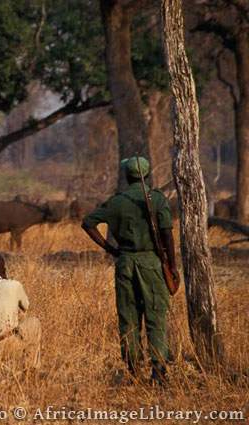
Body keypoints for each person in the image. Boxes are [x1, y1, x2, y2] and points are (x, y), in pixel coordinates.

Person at [82, 156, 177, 384]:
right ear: (147, 175)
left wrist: (111, 249)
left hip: (124, 262)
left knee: (128, 316)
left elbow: (88, 223)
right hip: (153, 263)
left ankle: (133, 369)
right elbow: (167, 234)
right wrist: (172, 265)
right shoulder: (157, 199)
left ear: (127, 176)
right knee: (156, 316)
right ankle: (158, 371)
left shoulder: (116, 202)